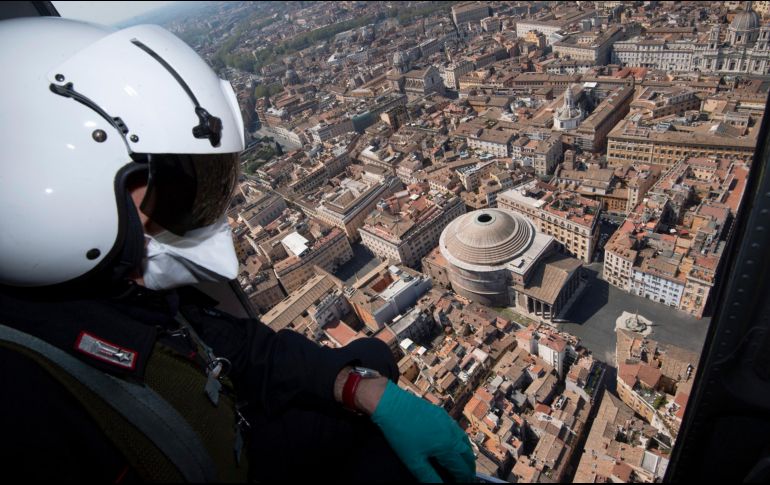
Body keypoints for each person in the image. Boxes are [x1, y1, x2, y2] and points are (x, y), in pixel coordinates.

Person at [0, 16, 475, 483]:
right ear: (61, 188)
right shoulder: (27, 409)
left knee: (375, 357)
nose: (195, 228)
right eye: (176, 194)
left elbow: (236, 347)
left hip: (236, 441)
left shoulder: (118, 292)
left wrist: (357, 384)